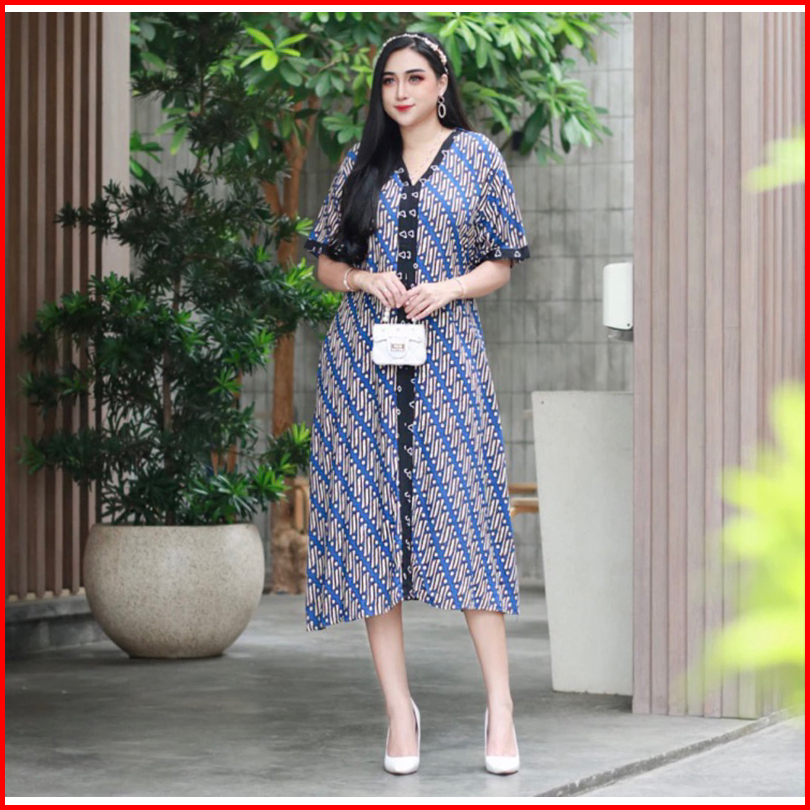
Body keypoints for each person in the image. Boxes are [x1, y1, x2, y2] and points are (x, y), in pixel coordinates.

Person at [304, 31, 530, 776]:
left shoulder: (477, 157)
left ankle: (500, 705)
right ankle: (399, 711)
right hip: (361, 369)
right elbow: (325, 263)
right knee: (371, 528)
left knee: (468, 520)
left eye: (414, 78)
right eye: (389, 80)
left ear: (440, 84)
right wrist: (361, 280)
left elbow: (502, 260)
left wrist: (451, 287)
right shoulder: (360, 162)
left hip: (450, 362)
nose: (400, 92)